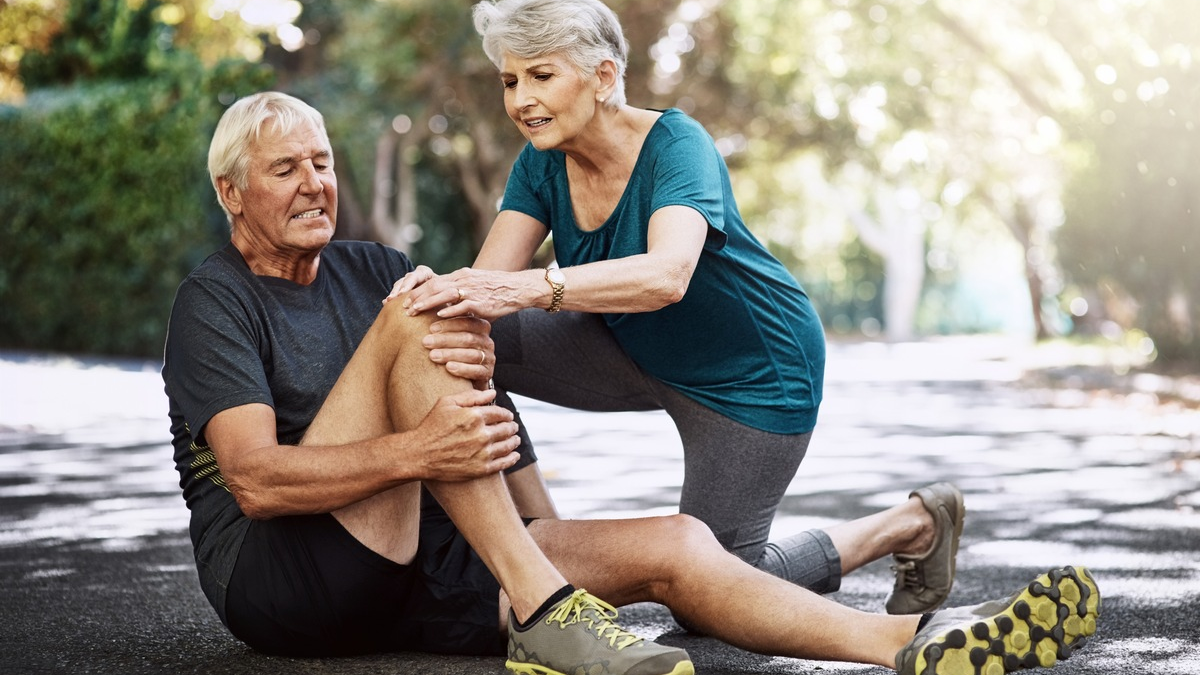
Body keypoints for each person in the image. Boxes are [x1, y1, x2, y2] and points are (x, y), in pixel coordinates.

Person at [163, 91, 1101, 675]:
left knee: (684, 543)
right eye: (284, 169)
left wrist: (544, 534)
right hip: (285, 582)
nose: (314, 184)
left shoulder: (372, 267)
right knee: (436, 309)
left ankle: (911, 644)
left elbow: (477, 405)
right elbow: (256, 481)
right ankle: (543, 610)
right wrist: (419, 454)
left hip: (428, 567)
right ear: (232, 193)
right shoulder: (216, 300)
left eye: (322, 163)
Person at [392, 0, 955, 616]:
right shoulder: (541, 163)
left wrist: (520, 289)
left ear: (604, 77)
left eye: (541, 76)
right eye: (510, 80)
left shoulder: (677, 145)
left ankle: (910, 524)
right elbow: (485, 291)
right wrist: (440, 292)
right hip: (636, 348)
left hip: (753, 376)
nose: (521, 98)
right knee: (452, 339)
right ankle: (533, 543)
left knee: (708, 600)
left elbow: (667, 276)